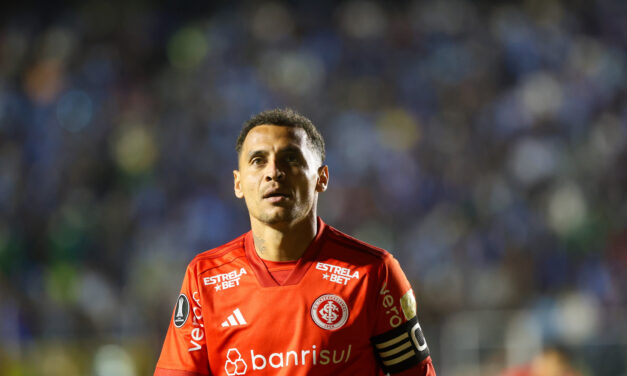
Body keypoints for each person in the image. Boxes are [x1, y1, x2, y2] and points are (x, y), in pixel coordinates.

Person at [154, 108, 436, 375]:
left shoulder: (373, 273)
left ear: (321, 178)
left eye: (290, 158)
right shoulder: (205, 277)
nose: (273, 171)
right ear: (238, 183)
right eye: (258, 160)